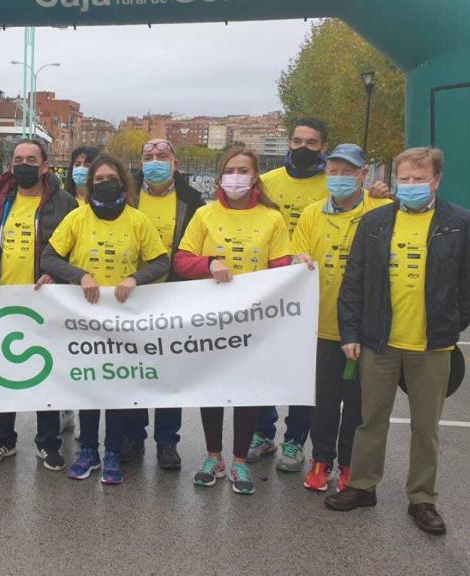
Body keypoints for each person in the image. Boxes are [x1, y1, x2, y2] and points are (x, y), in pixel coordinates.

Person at [325, 147, 470, 536]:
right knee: (369, 419)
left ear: (436, 180)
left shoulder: (461, 223)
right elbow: (354, 282)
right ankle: (362, 486)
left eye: (420, 178)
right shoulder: (376, 222)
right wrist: (350, 333)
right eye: (405, 179)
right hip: (378, 342)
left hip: (431, 346)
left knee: (425, 427)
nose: (411, 185)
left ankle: (422, 498)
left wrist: (449, 326)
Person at [41, 154, 170, 485]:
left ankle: (113, 451)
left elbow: (160, 262)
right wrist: (80, 275)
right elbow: (49, 257)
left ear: (123, 181)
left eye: (111, 177)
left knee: (116, 387)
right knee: (89, 386)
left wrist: (135, 279)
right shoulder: (77, 218)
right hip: (84, 317)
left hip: (123, 319)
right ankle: (88, 451)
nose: (104, 183)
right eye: (98, 179)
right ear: (90, 184)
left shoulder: (137, 220)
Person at [173, 147, 295, 495]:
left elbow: (279, 267)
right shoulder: (205, 214)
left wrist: (298, 264)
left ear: (255, 176)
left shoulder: (272, 218)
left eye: (244, 170)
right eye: (230, 170)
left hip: (254, 322)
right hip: (211, 319)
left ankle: (240, 461)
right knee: (211, 388)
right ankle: (214, 457)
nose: (237, 177)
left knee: (247, 391)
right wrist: (208, 263)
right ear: (220, 177)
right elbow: (182, 260)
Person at [290, 144, 391, 493]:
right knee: (324, 399)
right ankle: (321, 459)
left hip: (367, 328)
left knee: (359, 403)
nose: (339, 178)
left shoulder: (383, 210)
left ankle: (350, 463)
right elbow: (295, 254)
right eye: (332, 171)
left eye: (348, 172)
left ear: (364, 175)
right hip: (320, 327)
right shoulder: (310, 214)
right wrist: (297, 258)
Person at [0, 139, 77, 471]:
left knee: (46, 373)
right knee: (3, 371)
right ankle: (2, 439)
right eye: (18, 159)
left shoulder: (65, 203)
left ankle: (48, 443)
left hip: (44, 301)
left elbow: (71, 253)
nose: (24, 165)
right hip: (3, 300)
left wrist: (54, 276)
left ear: (45, 166)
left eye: (31, 159)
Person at [249, 118, 329, 472]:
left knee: (301, 373)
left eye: (311, 143)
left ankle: (295, 440)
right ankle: (263, 433)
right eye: (296, 140)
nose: (302, 148)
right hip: (270, 292)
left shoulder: (332, 184)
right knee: (263, 367)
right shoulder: (267, 183)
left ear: (323, 147)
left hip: (313, 292)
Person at [122, 137, 207, 470]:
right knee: (134, 372)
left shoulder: (193, 201)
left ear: (175, 163)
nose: (154, 161)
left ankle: (167, 442)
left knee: (170, 375)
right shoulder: (126, 195)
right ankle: (133, 436)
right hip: (132, 297)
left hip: (174, 297)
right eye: (148, 156)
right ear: (140, 163)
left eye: (161, 155)